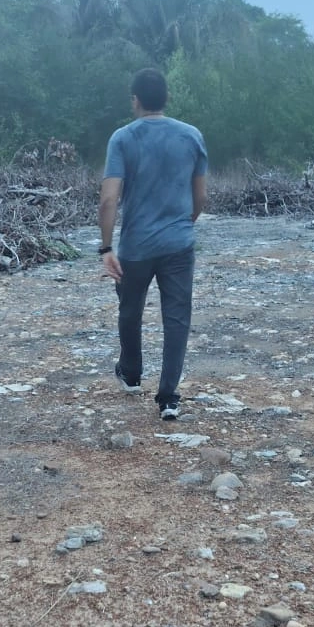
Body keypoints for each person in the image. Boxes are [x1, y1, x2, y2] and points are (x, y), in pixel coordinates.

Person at [98, 67, 208, 420]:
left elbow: (108, 200)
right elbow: (200, 198)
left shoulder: (123, 138)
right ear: (167, 99)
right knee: (176, 318)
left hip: (135, 246)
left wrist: (106, 247)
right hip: (178, 242)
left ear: (135, 100)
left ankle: (131, 372)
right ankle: (168, 397)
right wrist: (181, 225)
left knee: (130, 310)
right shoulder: (191, 136)